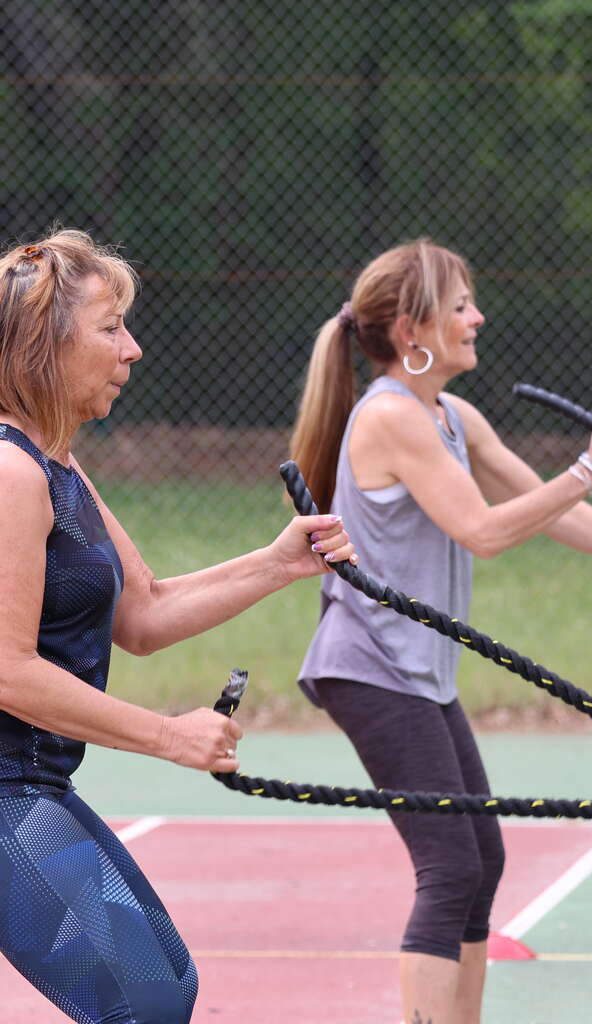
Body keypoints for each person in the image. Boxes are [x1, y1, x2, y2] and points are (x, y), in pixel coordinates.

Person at [0, 228, 357, 1024]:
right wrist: (169, 736)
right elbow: (7, 670)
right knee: (145, 1002)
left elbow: (145, 610)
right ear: (42, 346)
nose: (132, 349)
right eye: (109, 328)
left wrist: (276, 563)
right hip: (5, 789)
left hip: (31, 783)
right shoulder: (9, 472)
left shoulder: (55, 461)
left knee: (166, 987)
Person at [289, 237, 592, 1024]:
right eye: (459, 307)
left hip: (418, 670)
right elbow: (483, 528)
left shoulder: (449, 414)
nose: (477, 317)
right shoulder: (392, 418)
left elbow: (547, 506)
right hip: (371, 666)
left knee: (482, 859)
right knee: (449, 867)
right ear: (413, 331)